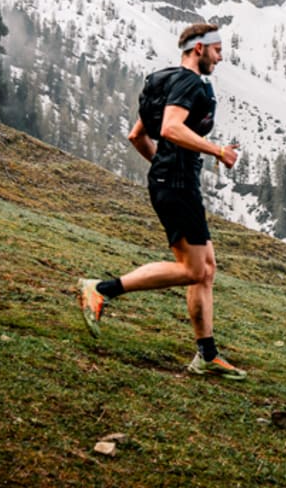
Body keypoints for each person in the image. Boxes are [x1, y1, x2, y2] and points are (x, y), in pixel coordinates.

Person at [78, 22, 246, 380]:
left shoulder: (165, 81)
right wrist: (216, 151)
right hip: (178, 183)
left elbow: (137, 135)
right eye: (217, 50)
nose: (221, 56)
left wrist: (161, 169)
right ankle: (101, 289)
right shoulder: (188, 83)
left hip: (173, 181)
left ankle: (207, 355)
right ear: (198, 49)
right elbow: (170, 128)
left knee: (206, 269)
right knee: (193, 270)